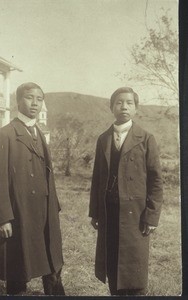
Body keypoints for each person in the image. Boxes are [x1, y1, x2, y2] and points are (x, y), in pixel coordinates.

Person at [0, 82, 65, 296]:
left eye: (39, 99)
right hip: (19, 211)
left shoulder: (39, 132)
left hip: (45, 210)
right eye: (30, 97)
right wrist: (2, 218)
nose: (35, 103)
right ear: (18, 100)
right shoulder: (4, 135)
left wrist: (53, 208)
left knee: (52, 260)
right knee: (18, 265)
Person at [89, 87, 163, 296]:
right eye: (119, 102)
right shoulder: (103, 139)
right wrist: (95, 211)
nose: (124, 107)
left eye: (129, 103)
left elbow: (156, 181)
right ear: (111, 107)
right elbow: (97, 179)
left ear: (136, 108)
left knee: (134, 260)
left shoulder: (146, 138)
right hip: (109, 209)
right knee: (112, 258)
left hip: (136, 213)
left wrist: (152, 216)